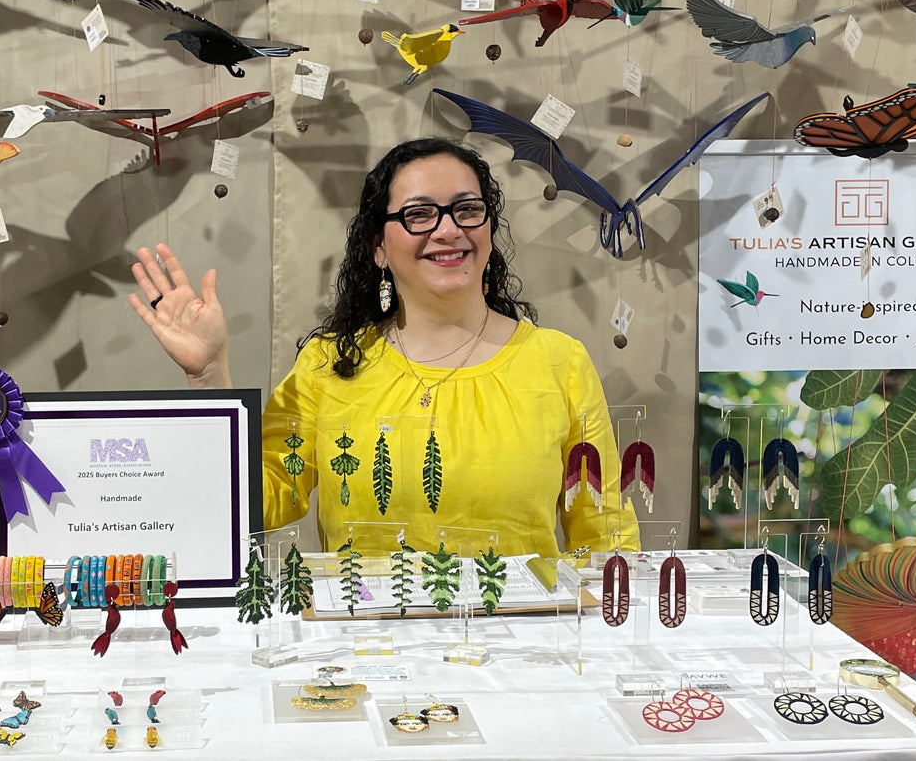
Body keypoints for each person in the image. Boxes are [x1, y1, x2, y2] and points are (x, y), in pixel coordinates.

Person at [129, 138, 638, 558]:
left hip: (516, 642)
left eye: (467, 210)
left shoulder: (559, 363)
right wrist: (209, 375)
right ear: (378, 247)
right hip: (361, 641)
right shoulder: (329, 365)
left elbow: (605, 533)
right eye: (419, 214)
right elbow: (252, 506)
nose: (448, 229)